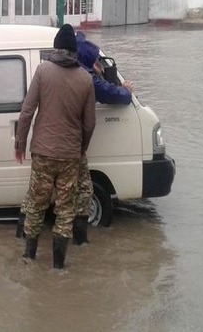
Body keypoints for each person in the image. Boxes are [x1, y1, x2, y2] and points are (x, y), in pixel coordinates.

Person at [14, 24, 96, 269]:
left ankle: (29, 257)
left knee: (37, 205)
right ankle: (58, 268)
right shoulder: (85, 79)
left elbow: (27, 111)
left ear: (56, 47)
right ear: (74, 51)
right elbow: (89, 124)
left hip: (42, 153)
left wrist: (20, 143)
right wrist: (81, 149)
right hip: (70, 155)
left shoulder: (42, 71)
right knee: (65, 210)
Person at [71, 32, 134, 245]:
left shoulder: (50, 71)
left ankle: (28, 249)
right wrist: (125, 91)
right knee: (82, 193)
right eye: (96, 59)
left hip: (46, 146)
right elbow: (111, 95)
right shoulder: (85, 77)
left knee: (37, 199)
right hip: (72, 147)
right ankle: (79, 244)